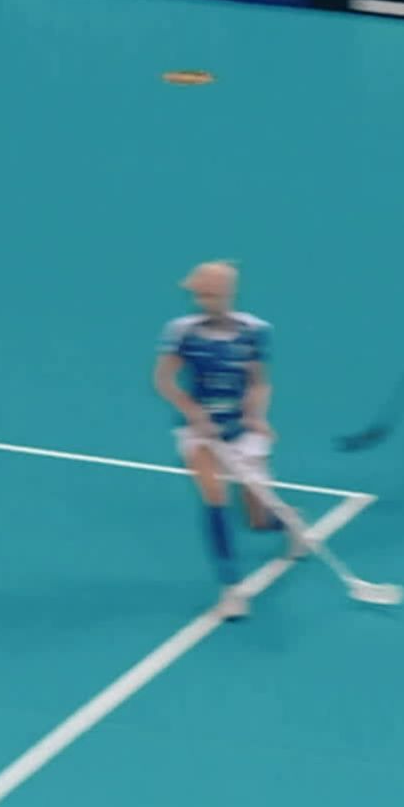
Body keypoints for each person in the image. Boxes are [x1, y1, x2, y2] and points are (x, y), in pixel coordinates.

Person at [153, 261, 289, 621]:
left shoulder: (254, 331)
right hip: (199, 433)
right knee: (214, 497)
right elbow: (163, 380)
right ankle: (231, 589)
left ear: (227, 294)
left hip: (242, 432)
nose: (201, 301)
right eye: (198, 294)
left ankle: (286, 523)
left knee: (257, 519)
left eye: (209, 294)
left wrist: (256, 415)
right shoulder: (181, 332)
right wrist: (193, 411)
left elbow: (259, 382)